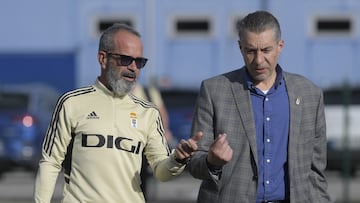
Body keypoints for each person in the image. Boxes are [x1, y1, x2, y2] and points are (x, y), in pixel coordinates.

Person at [33, 23, 201, 203]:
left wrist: (177, 159)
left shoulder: (148, 112)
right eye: (126, 59)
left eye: (139, 62)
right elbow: (50, 162)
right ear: (103, 58)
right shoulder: (71, 103)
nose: (133, 68)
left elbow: (161, 172)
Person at [187, 11, 332, 203]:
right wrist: (211, 161)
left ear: (280, 46)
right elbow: (194, 163)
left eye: (266, 50)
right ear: (240, 48)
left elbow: (315, 173)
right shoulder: (214, 91)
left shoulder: (309, 94)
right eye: (250, 51)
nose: (258, 60)